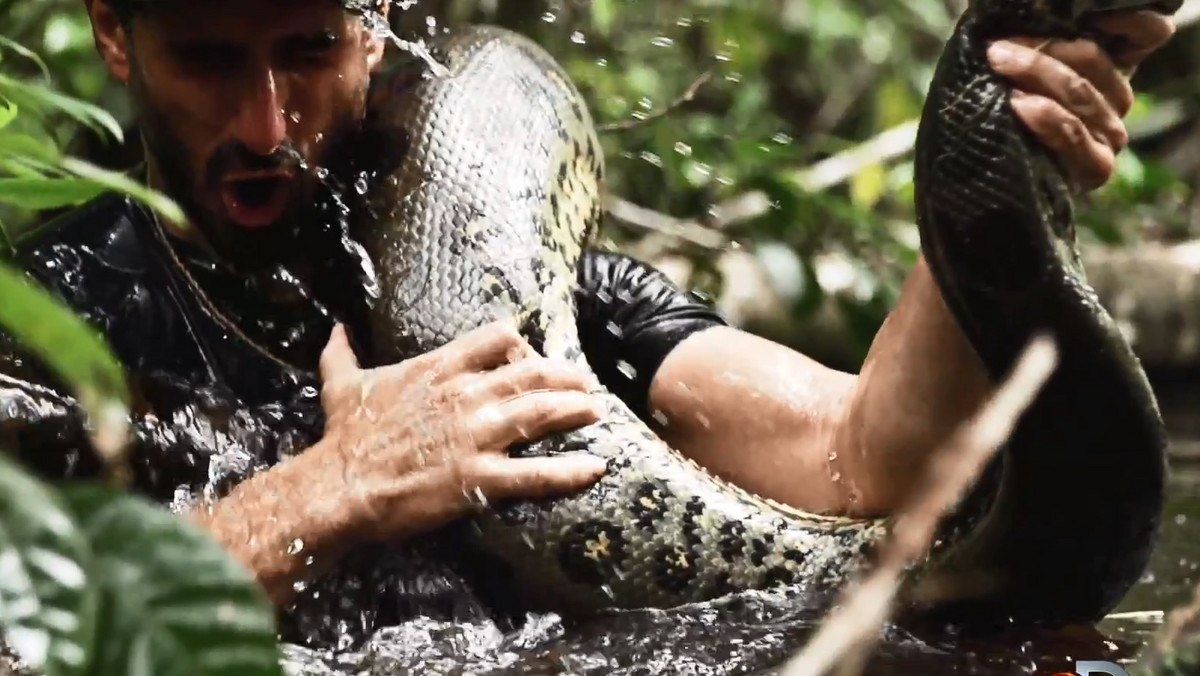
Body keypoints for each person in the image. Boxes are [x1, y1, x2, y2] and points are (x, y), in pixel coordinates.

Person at [0, 0, 1175, 618]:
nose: (265, 123)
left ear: (378, 21)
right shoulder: (50, 318)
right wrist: (329, 491)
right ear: (114, 29)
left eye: (307, 51)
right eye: (208, 60)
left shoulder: (533, 291)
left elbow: (869, 461)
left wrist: (987, 160)